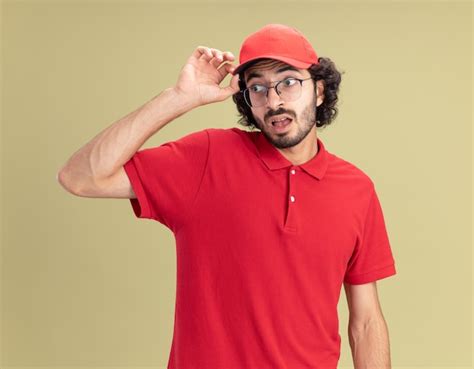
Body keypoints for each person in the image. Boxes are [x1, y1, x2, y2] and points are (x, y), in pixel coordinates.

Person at [58, 23, 397, 369]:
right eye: (258, 88)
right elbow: (81, 177)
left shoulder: (357, 189)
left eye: (289, 82)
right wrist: (178, 98)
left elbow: (366, 321)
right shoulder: (208, 157)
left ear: (320, 91)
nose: (274, 100)